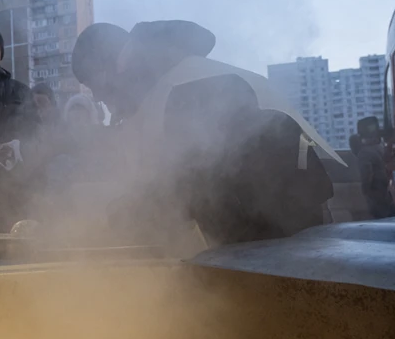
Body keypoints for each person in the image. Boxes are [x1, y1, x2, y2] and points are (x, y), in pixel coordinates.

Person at [71, 20, 338, 251]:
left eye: (94, 82)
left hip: (287, 235)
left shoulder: (185, 85)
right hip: (267, 232)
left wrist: (129, 212)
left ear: (117, 63)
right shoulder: (166, 83)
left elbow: (195, 178)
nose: (96, 95)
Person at [355, 117, 395, 219]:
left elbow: (366, 175)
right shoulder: (382, 148)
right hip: (387, 191)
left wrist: (365, 191)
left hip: (376, 193)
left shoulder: (364, 153)